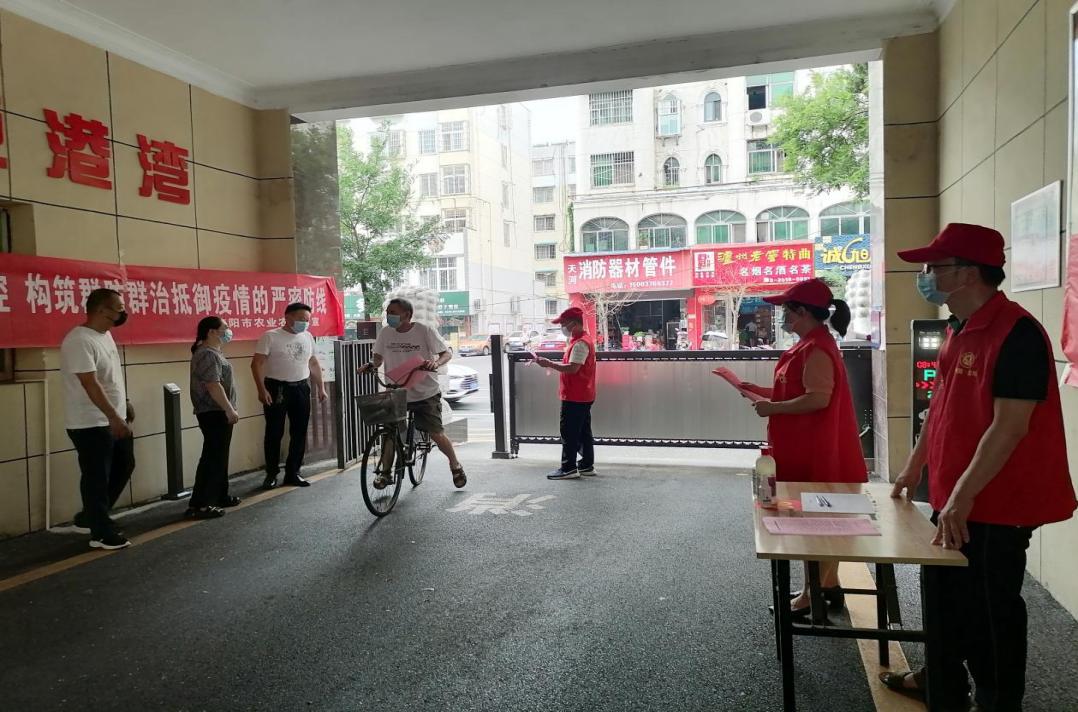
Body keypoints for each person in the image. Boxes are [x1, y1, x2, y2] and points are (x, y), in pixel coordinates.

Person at [883, 223, 1077, 711]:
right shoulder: (958, 327)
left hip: (995, 503)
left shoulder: (1017, 333)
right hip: (955, 497)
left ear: (968, 273)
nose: (926, 277)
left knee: (990, 611)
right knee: (943, 597)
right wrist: (913, 468)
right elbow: (940, 408)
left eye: (934, 267)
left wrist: (962, 496)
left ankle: (997, 700)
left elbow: (1009, 427)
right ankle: (941, 682)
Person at [738, 278, 867, 617]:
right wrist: (759, 390)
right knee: (817, 520)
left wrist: (773, 407)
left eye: (787, 310)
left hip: (816, 449)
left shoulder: (817, 349)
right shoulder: (810, 345)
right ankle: (827, 586)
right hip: (806, 445)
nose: (783, 317)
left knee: (816, 523)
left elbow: (818, 398)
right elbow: (796, 390)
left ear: (803, 312)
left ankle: (813, 595)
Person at [360, 298, 467, 488]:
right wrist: (370, 365)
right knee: (389, 433)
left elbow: (446, 353)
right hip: (396, 391)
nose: (389, 316)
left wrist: (436, 363)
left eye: (393, 312)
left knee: (435, 432)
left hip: (425, 392)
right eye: (388, 312)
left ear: (407, 315)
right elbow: (378, 358)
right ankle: (385, 473)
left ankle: (455, 465)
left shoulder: (424, 331)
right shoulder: (385, 332)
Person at [60, 288, 136, 550]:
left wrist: (124, 403)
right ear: (102, 310)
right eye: (119, 308)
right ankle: (100, 533)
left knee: (125, 464)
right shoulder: (79, 340)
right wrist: (113, 416)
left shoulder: (105, 335)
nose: (123, 313)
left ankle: (91, 517)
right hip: (90, 422)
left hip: (113, 418)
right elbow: (90, 383)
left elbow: (109, 377)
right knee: (96, 477)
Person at [251, 302, 327, 490]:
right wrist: (261, 390)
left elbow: (313, 363)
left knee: (299, 432)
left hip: (301, 387)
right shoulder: (271, 336)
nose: (305, 323)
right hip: (277, 389)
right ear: (288, 317)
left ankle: (293, 472)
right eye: (301, 319)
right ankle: (271, 474)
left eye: (307, 320)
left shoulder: (307, 336)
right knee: (274, 432)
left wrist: (321, 387)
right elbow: (256, 364)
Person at [187, 316, 241, 519]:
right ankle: (200, 504)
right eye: (225, 327)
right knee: (212, 457)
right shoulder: (207, 354)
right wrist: (229, 409)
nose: (228, 331)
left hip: (218, 411)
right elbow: (213, 385)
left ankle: (219, 495)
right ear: (211, 332)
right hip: (214, 412)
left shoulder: (214, 352)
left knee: (220, 456)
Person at [534, 306, 597, 480]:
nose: (562, 327)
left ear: (574, 324)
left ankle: (568, 467)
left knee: (569, 432)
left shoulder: (580, 343)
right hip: (583, 393)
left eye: (564, 324)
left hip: (575, 395)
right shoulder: (581, 340)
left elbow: (572, 368)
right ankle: (586, 465)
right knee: (583, 431)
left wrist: (549, 364)